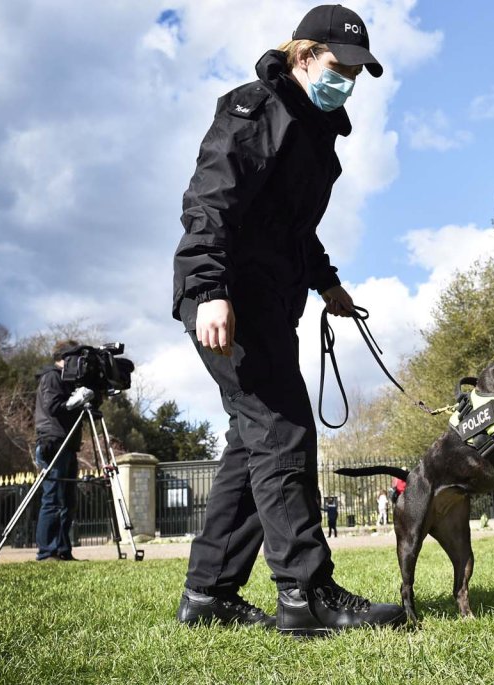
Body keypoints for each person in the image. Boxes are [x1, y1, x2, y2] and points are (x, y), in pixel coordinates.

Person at [172, 5, 405, 633]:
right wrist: (208, 287)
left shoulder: (316, 129)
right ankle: (306, 594)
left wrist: (327, 283)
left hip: (273, 298)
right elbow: (209, 201)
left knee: (255, 442)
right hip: (231, 295)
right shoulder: (255, 108)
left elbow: (293, 229)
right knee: (282, 432)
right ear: (303, 55)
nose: (349, 81)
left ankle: (209, 595)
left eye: (358, 72)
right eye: (339, 66)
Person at [33, 339, 91, 561]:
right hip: (53, 442)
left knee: (67, 501)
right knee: (53, 499)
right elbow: (54, 407)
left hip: (68, 444)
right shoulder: (52, 377)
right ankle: (47, 551)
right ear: (64, 358)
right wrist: (76, 400)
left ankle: (63, 550)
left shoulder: (68, 380)